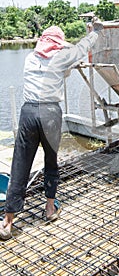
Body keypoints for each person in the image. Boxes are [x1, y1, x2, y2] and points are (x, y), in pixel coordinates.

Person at [0, 22, 103, 240]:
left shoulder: (29, 59)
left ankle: (8, 221)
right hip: (50, 114)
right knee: (51, 161)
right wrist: (95, 32)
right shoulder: (60, 58)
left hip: (28, 112)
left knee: (20, 164)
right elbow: (81, 49)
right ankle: (49, 208)